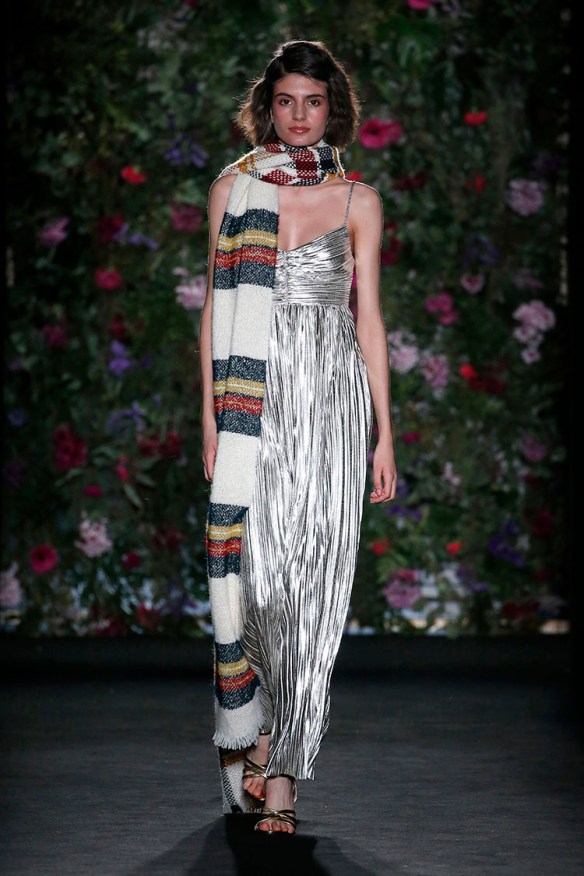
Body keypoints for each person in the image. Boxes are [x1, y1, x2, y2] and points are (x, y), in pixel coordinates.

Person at [199, 39, 397, 835]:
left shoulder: (359, 201)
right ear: (268, 107)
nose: (300, 115)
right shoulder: (232, 191)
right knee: (257, 585)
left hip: (331, 406)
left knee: (314, 593)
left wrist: (385, 436)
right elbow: (214, 312)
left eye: (313, 101)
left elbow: (369, 320)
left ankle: (282, 775)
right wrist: (209, 418)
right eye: (286, 101)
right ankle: (256, 726)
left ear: (332, 108)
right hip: (253, 405)